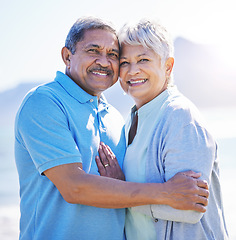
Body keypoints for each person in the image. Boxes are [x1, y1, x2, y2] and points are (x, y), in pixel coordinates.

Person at [15, 17, 209, 240]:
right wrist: (165, 193)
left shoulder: (117, 118)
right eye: (93, 50)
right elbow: (74, 187)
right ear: (67, 56)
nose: (104, 62)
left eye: (113, 55)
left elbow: (126, 195)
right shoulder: (44, 102)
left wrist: (126, 185)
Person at [96, 19, 229, 239]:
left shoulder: (180, 117)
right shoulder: (133, 119)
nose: (133, 71)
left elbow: (188, 208)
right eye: (125, 62)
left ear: (167, 66)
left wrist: (119, 191)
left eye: (143, 60)